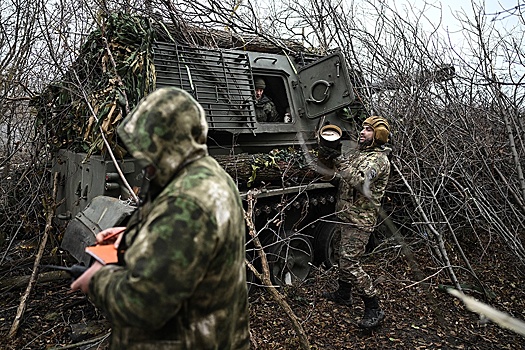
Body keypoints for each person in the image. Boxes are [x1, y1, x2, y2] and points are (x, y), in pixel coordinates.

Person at [71, 87, 250, 349]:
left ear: (169, 144)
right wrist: (131, 236)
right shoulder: (204, 174)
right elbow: (180, 244)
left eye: (149, 148)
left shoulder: (186, 202)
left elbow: (144, 305)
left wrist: (96, 280)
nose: (143, 159)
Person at [322, 116, 391, 329]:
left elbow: (361, 182)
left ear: (378, 136)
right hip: (346, 215)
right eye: (363, 128)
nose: (362, 132)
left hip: (360, 220)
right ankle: (344, 294)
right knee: (341, 253)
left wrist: (340, 160)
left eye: (368, 130)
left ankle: (373, 306)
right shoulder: (361, 155)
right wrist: (329, 158)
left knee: (350, 262)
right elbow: (343, 177)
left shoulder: (378, 160)